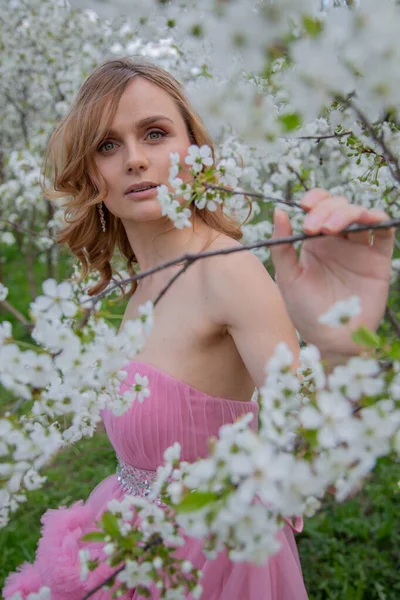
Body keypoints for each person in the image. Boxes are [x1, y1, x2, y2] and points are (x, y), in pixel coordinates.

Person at [3, 57, 394, 600]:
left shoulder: (226, 269)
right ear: (90, 171)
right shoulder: (140, 285)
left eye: (155, 133)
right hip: (129, 541)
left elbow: (310, 452)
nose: (135, 159)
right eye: (107, 145)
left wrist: (339, 348)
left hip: (211, 561)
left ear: (196, 150)